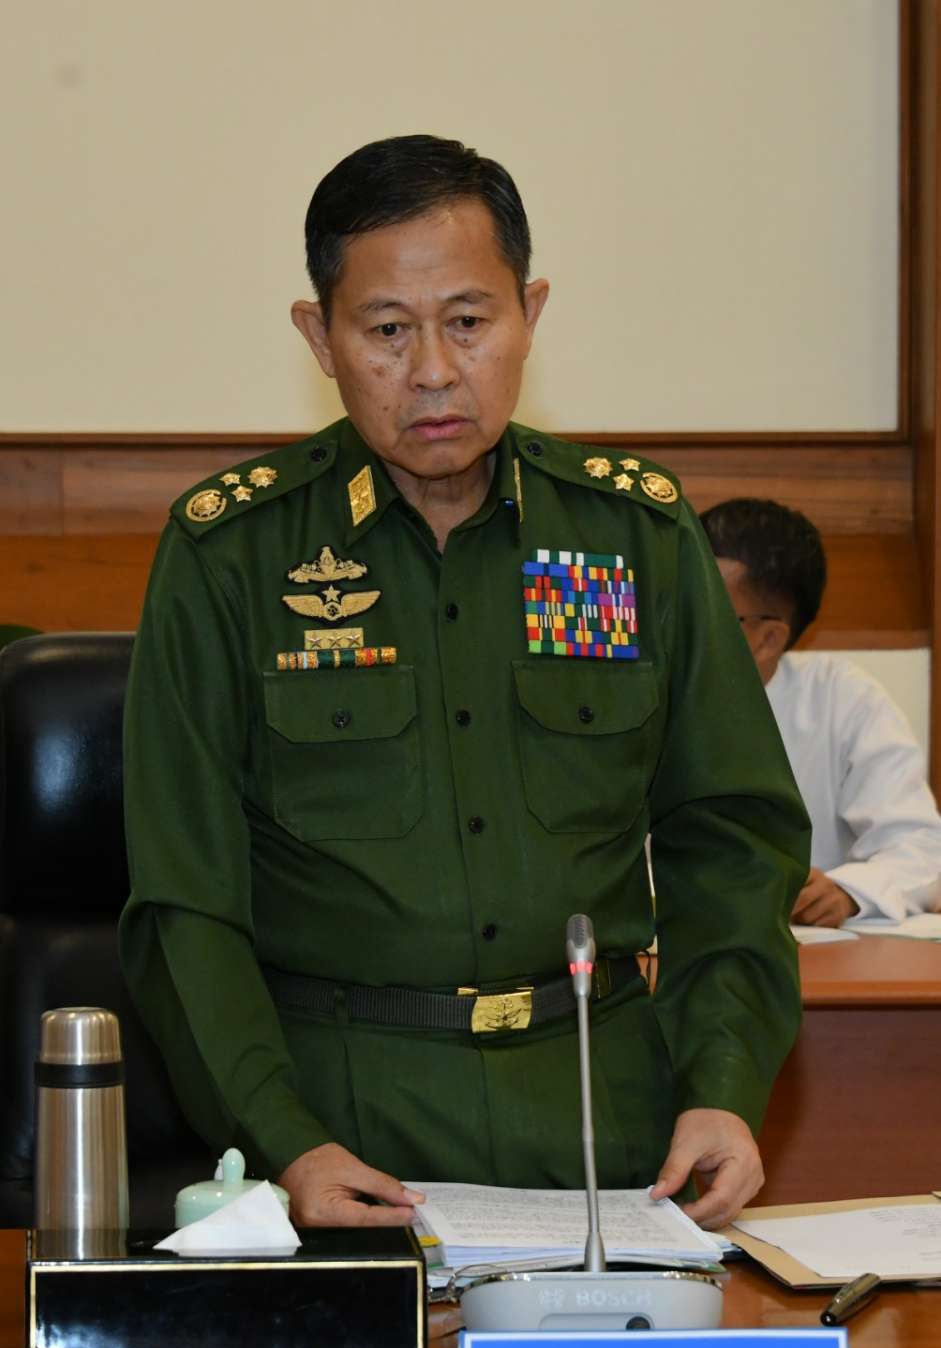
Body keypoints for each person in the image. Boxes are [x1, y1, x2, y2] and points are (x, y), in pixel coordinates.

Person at [119, 135, 808, 1233]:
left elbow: (730, 838)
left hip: (604, 1125)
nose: (434, 370)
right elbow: (183, 900)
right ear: (320, 338)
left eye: (470, 321)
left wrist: (720, 1084)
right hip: (341, 1135)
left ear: (529, 314)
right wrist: (285, 1139)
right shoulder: (232, 554)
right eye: (388, 329)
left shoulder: (630, 533)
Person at [701, 497, 941, 926]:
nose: (676, 622)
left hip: (810, 953)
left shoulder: (844, 700)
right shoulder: (627, 693)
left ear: (768, 639)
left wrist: (850, 891)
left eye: (703, 609)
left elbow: (920, 848)